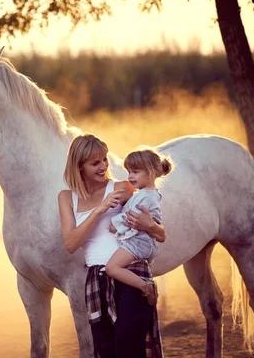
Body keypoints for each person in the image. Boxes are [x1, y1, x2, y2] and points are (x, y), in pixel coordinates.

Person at [58, 134, 166, 358]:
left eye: (105, 159)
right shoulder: (67, 197)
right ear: (79, 166)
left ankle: (147, 289)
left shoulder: (123, 188)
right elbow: (70, 243)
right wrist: (100, 209)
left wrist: (151, 226)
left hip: (130, 272)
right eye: (95, 162)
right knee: (106, 350)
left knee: (129, 350)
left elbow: (161, 234)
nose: (104, 166)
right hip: (96, 279)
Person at [106, 149, 173, 306]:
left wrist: (112, 225)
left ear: (150, 173)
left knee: (112, 268)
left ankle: (146, 287)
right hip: (144, 242)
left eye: (135, 172)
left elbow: (130, 218)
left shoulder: (144, 197)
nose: (130, 176)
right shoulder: (149, 194)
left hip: (137, 243)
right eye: (129, 171)